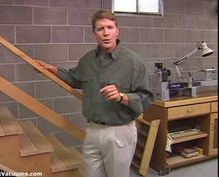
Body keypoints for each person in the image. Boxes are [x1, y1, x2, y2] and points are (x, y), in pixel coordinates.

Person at [35, 10, 153, 177]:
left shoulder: (133, 62)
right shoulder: (87, 60)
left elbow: (146, 99)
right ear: (94, 33)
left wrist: (122, 97)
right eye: (100, 29)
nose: (106, 33)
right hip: (92, 130)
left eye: (110, 27)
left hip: (119, 132)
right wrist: (52, 70)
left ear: (117, 31)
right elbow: (73, 78)